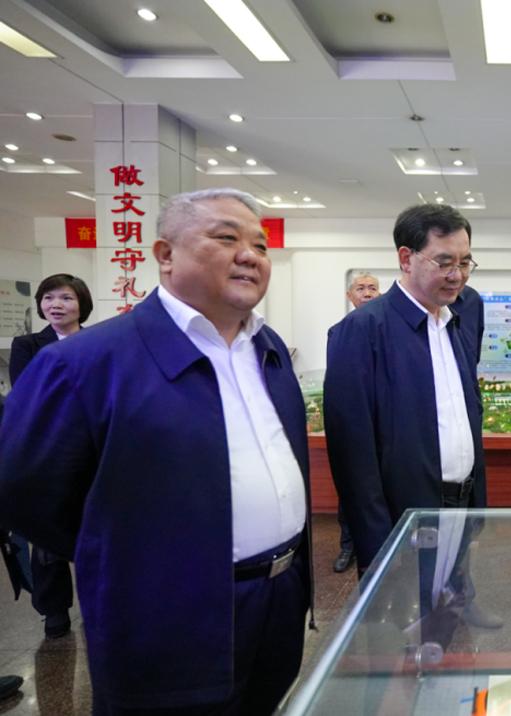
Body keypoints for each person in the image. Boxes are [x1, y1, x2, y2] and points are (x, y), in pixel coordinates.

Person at [0, 188, 313, 715]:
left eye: (261, 246)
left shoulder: (268, 347)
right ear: (165, 255)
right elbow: (22, 491)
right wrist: (132, 555)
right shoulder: (86, 361)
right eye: (227, 238)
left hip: (278, 600)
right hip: (167, 618)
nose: (250, 255)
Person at [325, 203, 501, 629]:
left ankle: (450, 624)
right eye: (444, 262)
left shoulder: (459, 317)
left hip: (460, 500)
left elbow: (467, 407)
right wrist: (376, 543)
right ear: (406, 258)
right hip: (405, 515)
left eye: (465, 262)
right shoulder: (362, 330)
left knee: (446, 610)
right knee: (405, 629)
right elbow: (352, 453)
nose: (457, 275)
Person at [7, 273, 94, 639]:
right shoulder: (28, 344)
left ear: (82, 304)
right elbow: (27, 394)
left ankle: (98, 602)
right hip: (48, 449)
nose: (56, 305)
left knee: (96, 530)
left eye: (66, 298)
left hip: (95, 448)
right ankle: (54, 608)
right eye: (48, 298)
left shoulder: (100, 342)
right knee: (47, 534)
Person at [332, 272, 382, 574]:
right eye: (360, 288)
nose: (367, 292)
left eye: (372, 288)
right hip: (355, 427)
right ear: (350, 296)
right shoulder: (339, 332)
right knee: (351, 489)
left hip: (385, 427)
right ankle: (348, 546)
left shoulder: (390, 331)